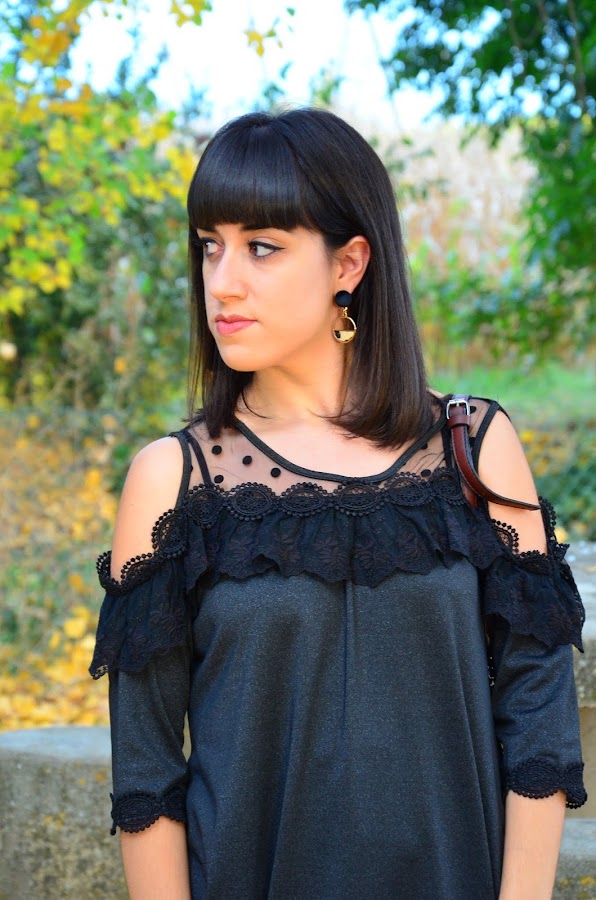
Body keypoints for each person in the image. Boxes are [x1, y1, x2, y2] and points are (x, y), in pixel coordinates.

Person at [90, 108, 586, 900]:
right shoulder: (174, 479)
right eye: (210, 244)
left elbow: (540, 721)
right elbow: (146, 775)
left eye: (262, 246)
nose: (222, 281)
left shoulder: (474, 447)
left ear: (349, 262)